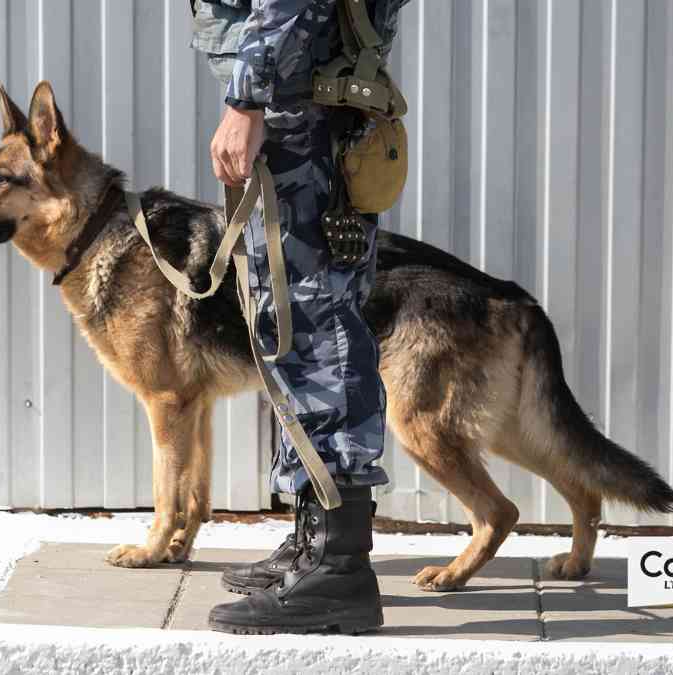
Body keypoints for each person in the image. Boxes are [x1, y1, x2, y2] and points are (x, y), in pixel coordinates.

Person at [190, 0, 409, 635]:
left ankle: (338, 570)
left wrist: (247, 98)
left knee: (317, 331)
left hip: (299, 110)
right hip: (309, 105)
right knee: (297, 326)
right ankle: (314, 542)